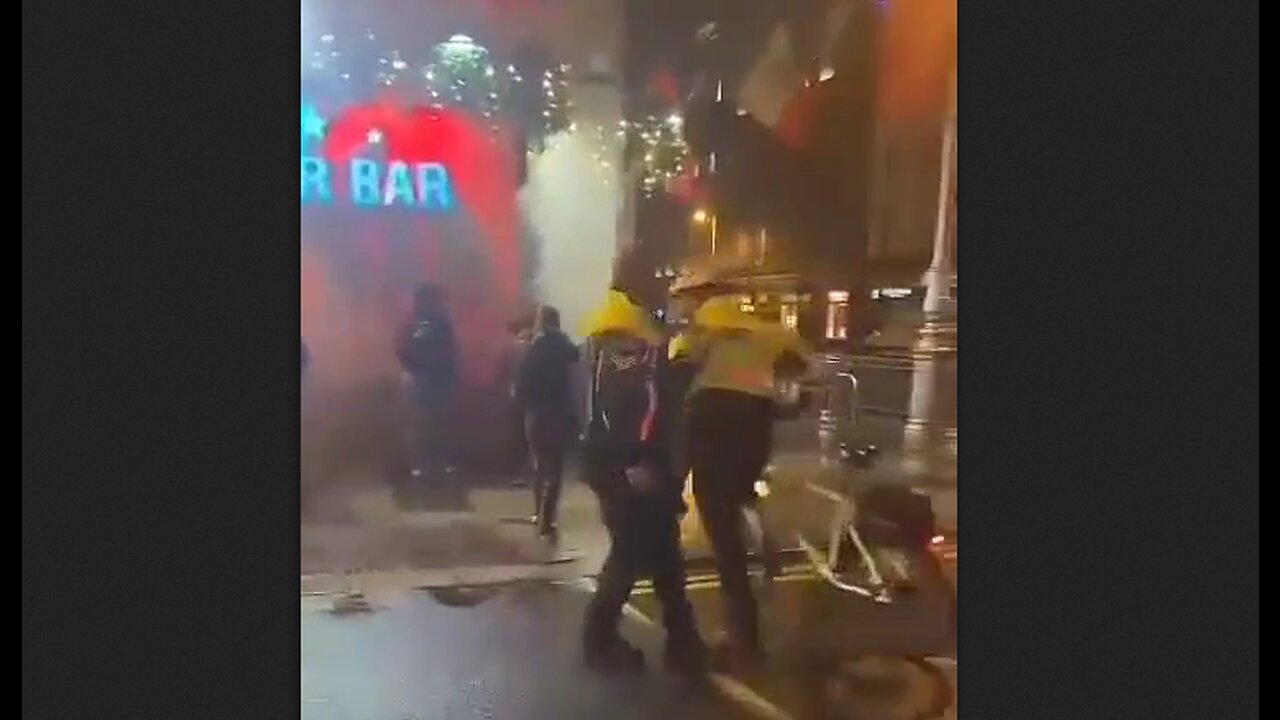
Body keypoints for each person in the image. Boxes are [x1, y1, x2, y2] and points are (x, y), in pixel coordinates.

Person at [671, 293, 809, 670]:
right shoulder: (765, 338)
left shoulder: (698, 341)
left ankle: (744, 641)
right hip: (754, 431)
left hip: (711, 430)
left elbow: (676, 395)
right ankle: (757, 520)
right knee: (739, 490)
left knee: (724, 541)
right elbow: (800, 364)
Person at [579, 289, 707, 676]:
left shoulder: (595, 357)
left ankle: (683, 645)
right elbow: (641, 413)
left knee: (665, 562)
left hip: (618, 471)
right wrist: (635, 460)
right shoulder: (628, 359)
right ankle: (600, 643)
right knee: (629, 560)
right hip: (637, 475)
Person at [514, 305, 579, 539]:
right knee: (555, 468)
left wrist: (525, 403)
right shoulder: (566, 347)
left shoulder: (532, 348)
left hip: (534, 413)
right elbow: (576, 374)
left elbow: (520, 382)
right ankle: (547, 519)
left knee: (540, 465)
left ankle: (537, 513)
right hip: (557, 412)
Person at [395, 284, 459, 488]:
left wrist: (408, 363)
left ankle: (426, 470)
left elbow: (420, 351)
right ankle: (430, 468)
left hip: (429, 384)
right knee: (430, 427)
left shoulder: (433, 321)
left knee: (426, 427)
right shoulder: (433, 320)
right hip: (433, 384)